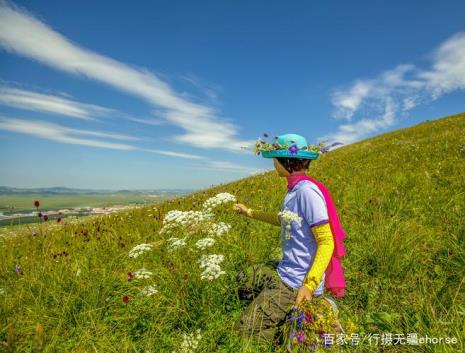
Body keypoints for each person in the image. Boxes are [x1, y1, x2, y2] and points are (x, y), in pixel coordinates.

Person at [232, 133, 346, 347]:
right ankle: (287, 315)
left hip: (296, 283)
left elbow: (326, 241)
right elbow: (283, 220)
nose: (273, 164)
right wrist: (249, 212)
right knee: (245, 280)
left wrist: (309, 286)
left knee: (243, 331)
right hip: (285, 271)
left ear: (286, 162)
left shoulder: (307, 193)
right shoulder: (293, 190)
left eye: (275, 159)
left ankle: (307, 323)